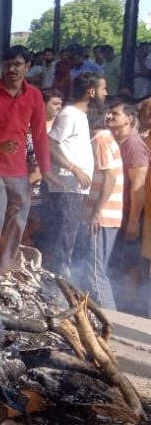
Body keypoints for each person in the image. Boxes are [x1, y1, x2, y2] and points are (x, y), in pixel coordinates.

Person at [0, 46, 50, 273]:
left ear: (27, 67)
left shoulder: (34, 95)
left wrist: (46, 168)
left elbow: (40, 133)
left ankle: (4, 269)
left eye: (17, 64)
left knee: (20, 217)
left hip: (18, 169)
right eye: (7, 64)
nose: (11, 69)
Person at [44, 72, 102, 277]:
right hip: (67, 186)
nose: (105, 94)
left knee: (69, 236)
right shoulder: (69, 114)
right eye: (103, 89)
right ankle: (58, 283)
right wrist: (74, 168)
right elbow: (50, 144)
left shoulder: (80, 116)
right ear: (91, 92)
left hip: (75, 188)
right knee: (64, 237)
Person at [76, 104, 123, 310]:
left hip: (102, 217)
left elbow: (110, 177)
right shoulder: (105, 138)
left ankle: (112, 320)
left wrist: (96, 213)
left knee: (95, 270)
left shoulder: (100, 140)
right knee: (94, 268)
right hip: (105, 215)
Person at [107, 101, 149, 315]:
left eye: (115, 114)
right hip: (119, 215)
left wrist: (133, 221)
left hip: (129, 216)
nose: (109, 116)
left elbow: (138, 186)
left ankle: (127, 310)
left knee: (128, 264)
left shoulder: (132, 144)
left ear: (129, 119)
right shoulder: (119, 142)